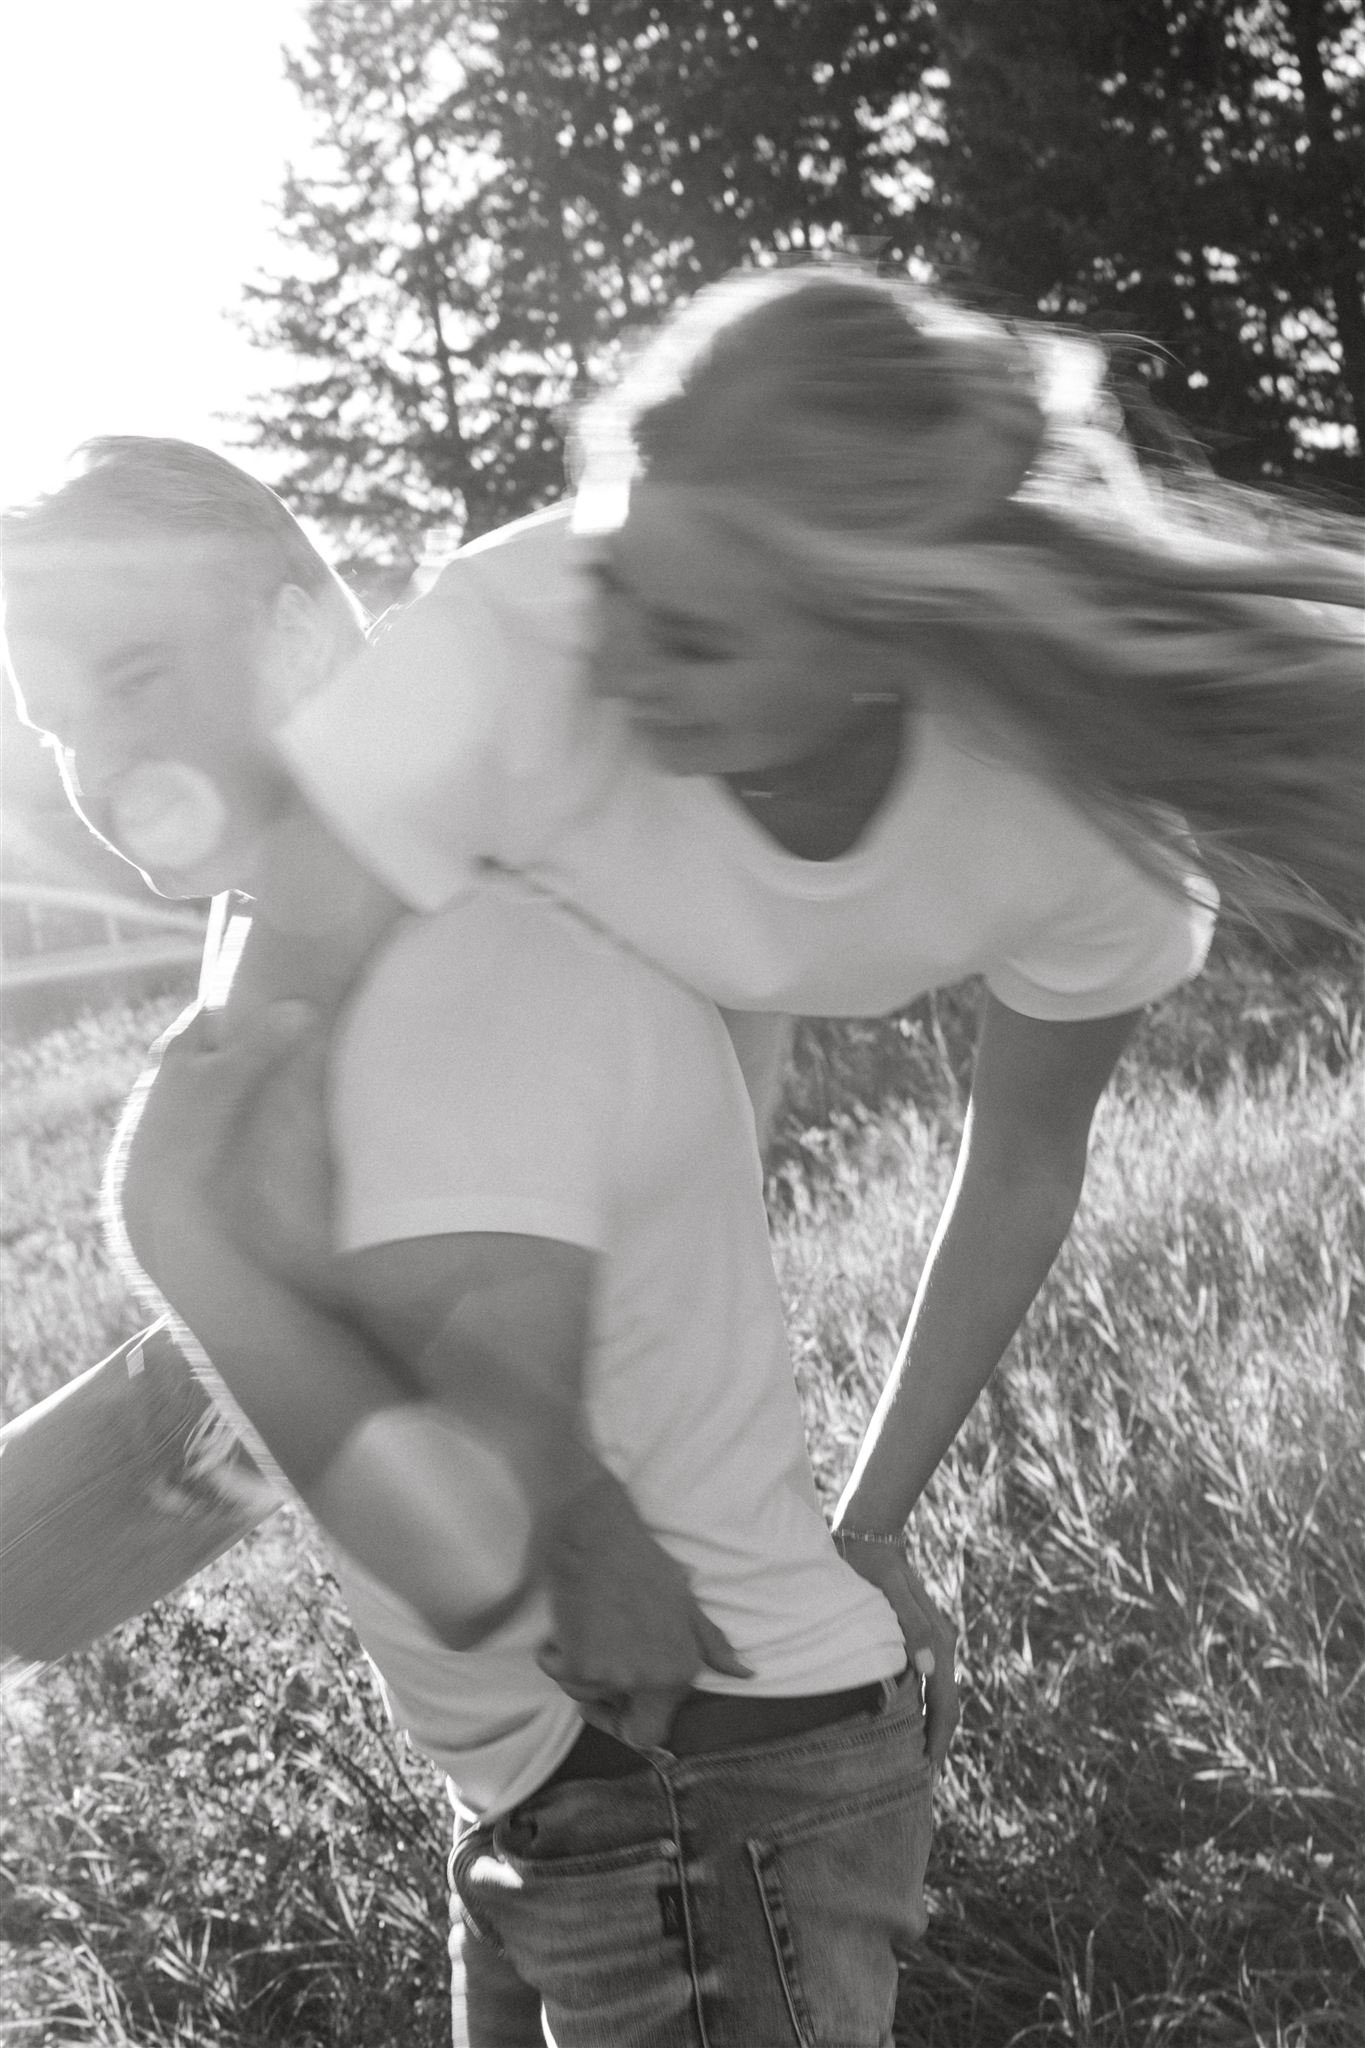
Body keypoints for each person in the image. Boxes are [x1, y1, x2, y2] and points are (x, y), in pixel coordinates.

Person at [2, 444, 936, 2043]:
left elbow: (485, 1539)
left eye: (139, 675)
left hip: (676, 1768)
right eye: (55, 726)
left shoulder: (456, 953)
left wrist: (172, 1222)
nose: (99, 761)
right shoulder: (293, 939)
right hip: (561, 1782)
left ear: (304, 633)